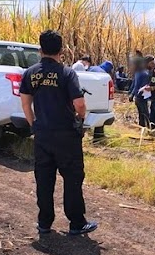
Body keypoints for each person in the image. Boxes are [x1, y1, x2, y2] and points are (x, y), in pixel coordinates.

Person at [19, 30, 98, 237]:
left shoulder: (30, 73)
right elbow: (79, 104)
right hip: (66, 136)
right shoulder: (66, 73)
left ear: (40, 49)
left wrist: (33, 124)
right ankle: (76, 223)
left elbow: (25, 103)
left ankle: (44, 222)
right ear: (61, 50)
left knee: (44, 179)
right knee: (72, 178)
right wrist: (80, 118)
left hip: (43, 135)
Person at [128, 56, 150, 128]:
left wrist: (138, 94)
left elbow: (144, 87)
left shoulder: (144, 74)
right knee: (141, 113)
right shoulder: (137, 73)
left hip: (142, 97)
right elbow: (135, 84)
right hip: (137, 97)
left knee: (145, 113)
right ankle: (141, 127)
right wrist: (131, 94)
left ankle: (149, 127)